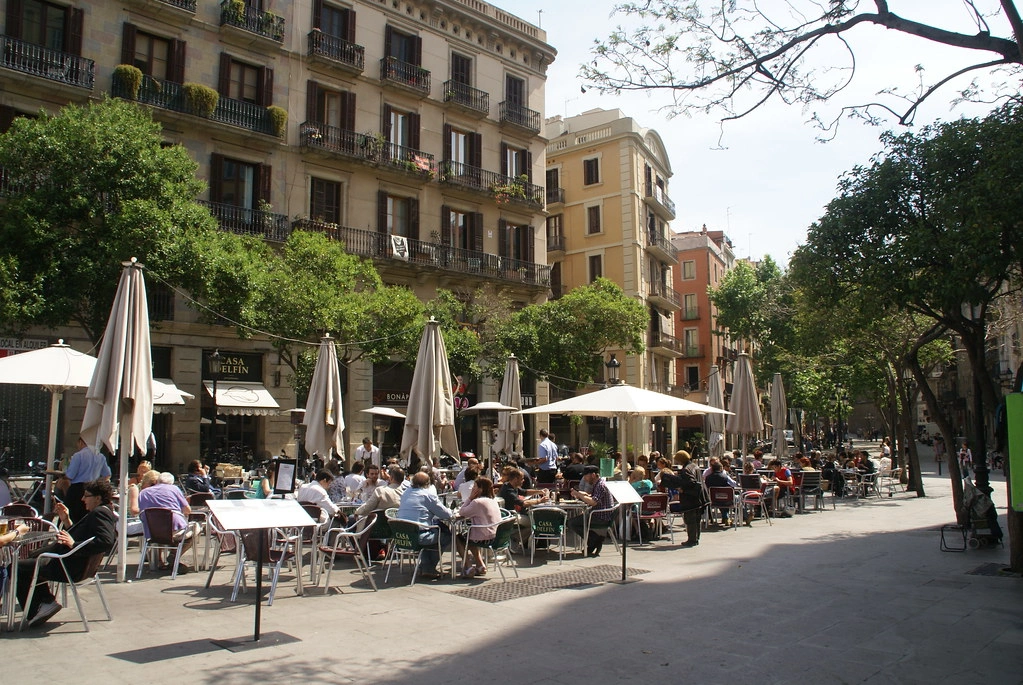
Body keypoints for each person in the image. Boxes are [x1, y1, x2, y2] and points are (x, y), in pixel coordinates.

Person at [17, 479, 116, 626]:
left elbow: (106, 541)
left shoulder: (100, 513)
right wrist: (67, 520)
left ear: (98, 498)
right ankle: (44, 602)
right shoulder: (100, 512)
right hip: (71, 563)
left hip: (69, 566)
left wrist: (73, 544)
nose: (82, 499)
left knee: (16, 567)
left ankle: (40, 605)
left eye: (86, 496)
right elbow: (83, 534)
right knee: (31, 559)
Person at [395, 472, 454, 578]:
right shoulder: (427, 495)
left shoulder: (406, 493)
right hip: (418, 537)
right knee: (445, 535)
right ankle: (428, 568)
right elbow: (446, 514)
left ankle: (425, 567)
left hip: (401, 537)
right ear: (428, 483)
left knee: (432, 531)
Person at [138, 472, 196, 571]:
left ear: (157, 481)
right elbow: (187, 510)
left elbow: (140, 512)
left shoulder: (143, 492)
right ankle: (174, 555)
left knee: (163, 526)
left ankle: (165, 558)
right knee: (196, 528)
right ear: (171, 483)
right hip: (172, 530)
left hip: (151, 532)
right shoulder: (174, 489)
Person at [455, 476, 502, 577]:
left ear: (480, 489)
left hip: (484, 537)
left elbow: (462, 512)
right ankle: (480, 565)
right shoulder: (493, 500)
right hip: (495, 535)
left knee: (457, 538)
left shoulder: (477, 502)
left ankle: (468, 566)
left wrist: (470, 498)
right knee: (470, 535)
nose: (472, 489)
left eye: (475, 487)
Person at [658, 450, 707, 546]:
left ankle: (692, 540)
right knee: (696, 519)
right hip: (698, 496)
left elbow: (691, 482)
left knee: (690, 519)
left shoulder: (686, 470)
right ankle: (696, 538)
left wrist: (683, 489)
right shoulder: (694, 466)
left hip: (690, 498)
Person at [568, 465, 616, 557]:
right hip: (598, 513)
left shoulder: (601, 485)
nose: (584, 478)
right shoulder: (598, 483)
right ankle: (593, 541)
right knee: (575, 521)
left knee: (571, 523)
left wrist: (579, 495)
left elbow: (593, 502)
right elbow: (594, 497)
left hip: (600, 516)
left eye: (586, 475)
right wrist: (583, 494)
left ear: (593, 475)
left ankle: (594, 539)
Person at [64, 436, 111, 523]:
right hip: (92, 488)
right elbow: (107, 475)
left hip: (77, 489)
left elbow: (70, 475)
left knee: (72, 516)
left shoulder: (78, 455)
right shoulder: (100, 456)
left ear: (81, 442)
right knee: (87, 517)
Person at [704, 460, 738, 525]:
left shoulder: (708, 478)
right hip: (726, 500)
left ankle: (725, 517)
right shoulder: (725, 477)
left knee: (720, 498)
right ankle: (744, 517)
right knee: (736, 498)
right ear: (720, 468)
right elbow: (734, 484)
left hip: (712, 500)